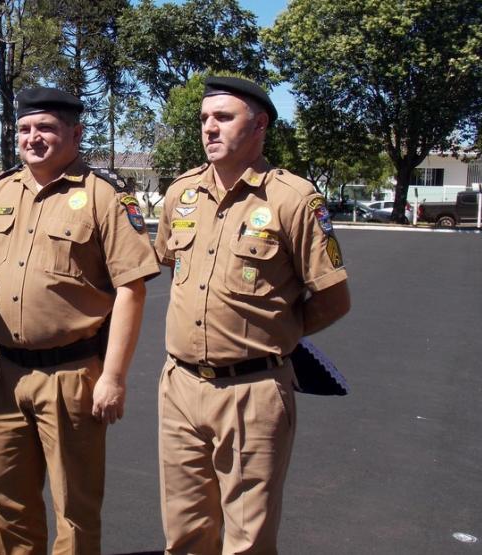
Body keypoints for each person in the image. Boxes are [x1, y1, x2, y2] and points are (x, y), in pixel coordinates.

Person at [153, 76, 351, 554]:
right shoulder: (181, 194)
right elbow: (167, 259)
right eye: (204, 119)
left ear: (260, 124)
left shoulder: (293, 199)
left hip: (252, 391)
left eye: (223, 117)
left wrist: (274, 332)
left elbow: (332, 297)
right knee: (184, 533)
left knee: (247, 540)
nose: (209, 128)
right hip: (180, 386)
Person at [0, 87, 160, 554]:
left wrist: (113, 376)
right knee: (10, 501)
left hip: (72, 376)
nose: (33, 138)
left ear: (75, 133)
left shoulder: (105, 197)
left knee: (74, 506)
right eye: (26, 129)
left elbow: (132, 288)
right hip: (7, 372)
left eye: (46, 128)